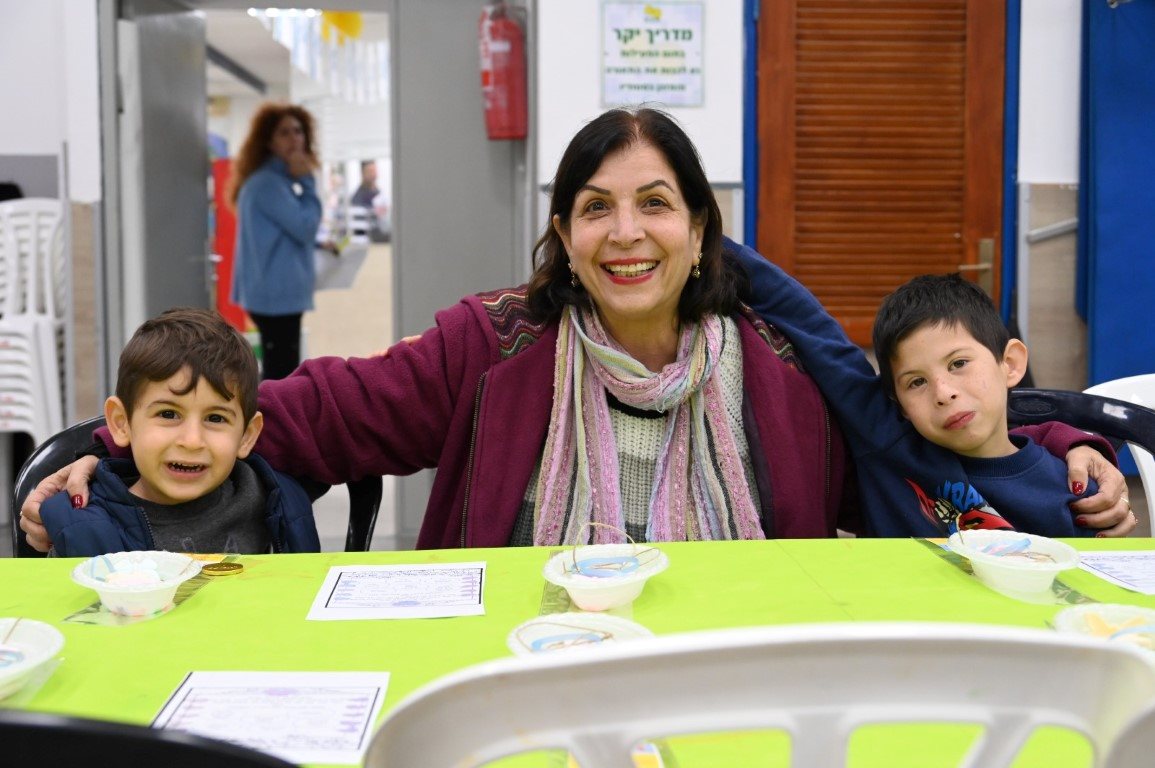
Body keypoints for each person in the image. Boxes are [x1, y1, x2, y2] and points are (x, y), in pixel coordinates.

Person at [18, 108, 1133, 551]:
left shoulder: (788, 367)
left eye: (656, 203)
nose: (627, 233)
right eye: (595, 206)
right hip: (511, 689)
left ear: (702, 231)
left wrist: (1073, 458)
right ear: (563, 232)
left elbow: (933, 448)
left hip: (733, 689)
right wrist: (98, 462)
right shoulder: (491, 345)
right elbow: (290, 421)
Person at [727, 241, 1136, 537]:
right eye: (916, 382)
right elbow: (810, 324)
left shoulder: (1074, 487)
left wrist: (1079, 444)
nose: (942, 392)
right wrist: (703, 236)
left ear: (1009, 364)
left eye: (959, 364)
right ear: (898, 404)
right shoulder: (890, 445)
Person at [37, 309, 320, 557]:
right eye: (168, 414)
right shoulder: (81, 528)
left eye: (215, 418)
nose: (192, 441)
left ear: (247, 436)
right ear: (122, 423)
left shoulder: (274, 499)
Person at [229, 103, 323, 381]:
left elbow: (281, 234)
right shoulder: (269, 184)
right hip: (277, 299)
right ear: (268, 142)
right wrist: (307, 180)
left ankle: (275, 422)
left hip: (273, 297)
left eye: (298, 131)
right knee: (282, 374)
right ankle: (277, 424)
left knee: (279, 369)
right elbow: (305, 228)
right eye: (284, 133)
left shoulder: (269, 182)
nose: (295, 139)